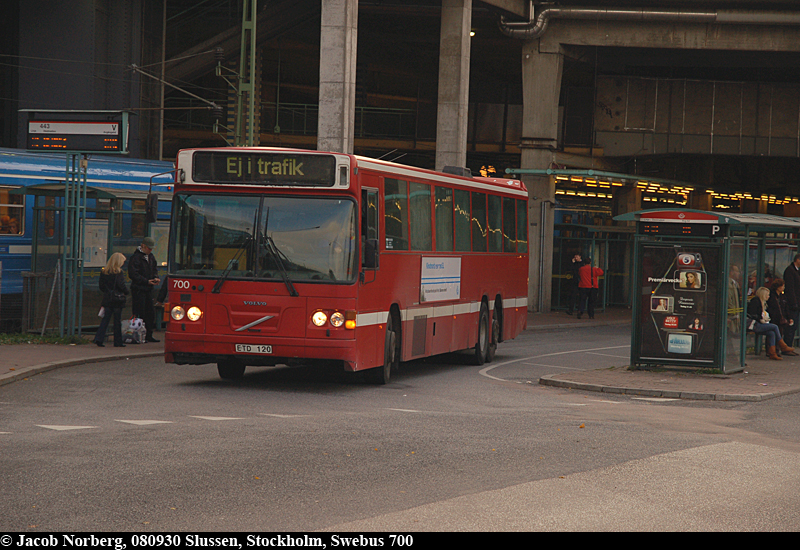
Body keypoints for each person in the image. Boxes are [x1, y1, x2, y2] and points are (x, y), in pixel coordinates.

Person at [748, 286, 797, 360]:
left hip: (759, 323)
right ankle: (783, 346)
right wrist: (761, 318)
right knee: (774, 327)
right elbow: (753, 314)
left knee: (771, 333)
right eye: (767, 295)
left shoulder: (763, 303)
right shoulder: (755, 301)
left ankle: (772, 353)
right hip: (754, 324)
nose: (768, 297)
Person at [128, 236, 161, 343]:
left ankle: (148, 335)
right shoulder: (136, 258)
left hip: (148, 289)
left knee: (150, 313)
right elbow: (133, 274)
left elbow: (154, 268)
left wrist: (155, 277)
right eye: (148, 248)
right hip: (139, 289)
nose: (150, 250)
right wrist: (146, 281)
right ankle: (138, 335)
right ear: (143, 246)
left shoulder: (151, 257)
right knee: (140, 312)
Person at [93, 252, 129, 348]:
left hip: (107, 299)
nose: (123, 263)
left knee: (105, 319)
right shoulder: (119, 272)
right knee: (117, 321)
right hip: (117, 300)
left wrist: (108, 292)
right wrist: (126, 291)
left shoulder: (104, 272)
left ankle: (99, 338)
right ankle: (118, 342)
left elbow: (101, 286)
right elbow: (121, 285)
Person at [767, 278, 793, 344]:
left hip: (781, 317)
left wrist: (789, 317)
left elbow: (786, 307)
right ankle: (772, 349)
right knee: (773, 333)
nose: (784, 287)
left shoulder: (782, 296)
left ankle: (778, 348)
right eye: (783, 286)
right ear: (778, 287)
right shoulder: (772, 296)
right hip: (773, 317)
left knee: (780, 332)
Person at [782, 254, 800, 347]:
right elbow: (790, 288)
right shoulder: (790, 271)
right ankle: (787, 345)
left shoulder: (796, 271)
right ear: (797, 260)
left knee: (795, 325)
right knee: (791, 324)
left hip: (796, 303)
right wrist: (794, 303)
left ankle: (789, 345)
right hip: (792, 303)